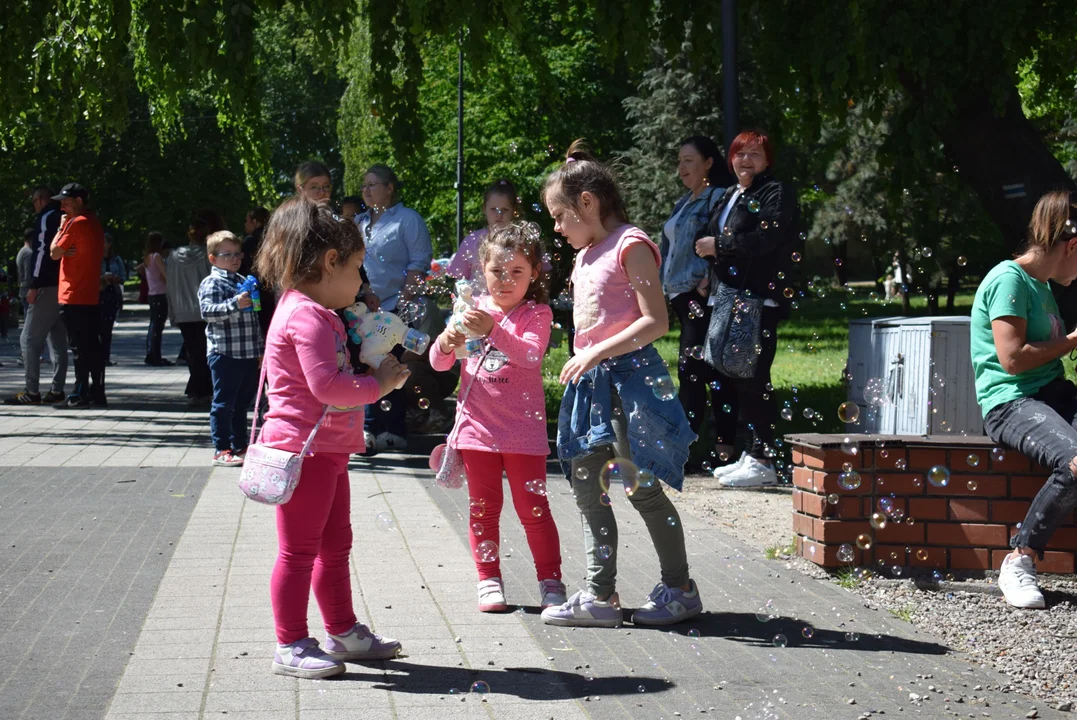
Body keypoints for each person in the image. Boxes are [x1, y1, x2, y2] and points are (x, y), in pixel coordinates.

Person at [539, 140, 700, 628]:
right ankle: (600, 597)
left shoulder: (631, 244)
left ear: (587, 203)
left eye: (560, 215)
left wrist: (594, 351)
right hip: (593, 385)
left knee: (641, 488)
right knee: (588, 486)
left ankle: (680, 589)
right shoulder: (586, 253)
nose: (557, 227)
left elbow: (656, 322)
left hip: (631, 382)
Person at [254, 195, 408, 679]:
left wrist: (369, 346)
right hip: (305, 452)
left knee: (336, 543)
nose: (361, 282)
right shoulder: (307, 316)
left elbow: (334, 371)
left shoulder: (318, 312)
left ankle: (343, 631)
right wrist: (378, 384)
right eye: (358, 269)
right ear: (330, 262)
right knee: (299, 552)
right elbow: (327, 387)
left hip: (326, 451)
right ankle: (291, 644)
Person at [430, 222, 566, 612]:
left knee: (534, 510)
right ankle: (488, 579)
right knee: (483, 509)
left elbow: (529, 355)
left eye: (516, 272)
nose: (505, 281)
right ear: (482, 271)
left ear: (534, 274)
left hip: (522, 432)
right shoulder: (470, 310)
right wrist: (446, 341)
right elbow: (439, 364)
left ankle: (550, 580)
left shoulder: (536, 313)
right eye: (496, 272)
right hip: (477, 430)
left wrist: (492, 329)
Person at [972, 190, 1077, 609]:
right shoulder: (1008, 280)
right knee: (1074, 463)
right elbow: (1012, 359)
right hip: (1011, 401)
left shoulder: (1041, 286)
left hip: (1052, 393)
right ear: (1073, 245)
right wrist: (1071, 340)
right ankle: (1019, 559)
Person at [695, 129, 799, 487]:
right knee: (738, 376)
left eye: (755, 154)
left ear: (768, 160)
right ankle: (752, 453)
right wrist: (711, 275)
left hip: (759, 297)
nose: (746, 160)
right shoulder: (731, 193)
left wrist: (719, 246)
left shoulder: (775, 192)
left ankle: (763, 459)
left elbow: (768, 237)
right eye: (740, 153)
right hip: (730, 295)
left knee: (754, 378)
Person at [660, 136, 733, 465]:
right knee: (695, 370)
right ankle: (706, 446)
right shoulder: (683, 202)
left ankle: (706, 448)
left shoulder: (718, 199)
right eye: (679, 161)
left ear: (708, 163)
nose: (682, 167)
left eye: (689, 160)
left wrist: (710, 277)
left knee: (698, 370)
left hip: (701, 296)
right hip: (679, 295)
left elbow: (723, 244)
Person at [356, 163, 433, 451]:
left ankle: (394, 429)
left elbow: (418, 263)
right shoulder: (359, 223)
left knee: (393, 367)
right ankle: (368, 429)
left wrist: (402, 307)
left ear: (390, 188)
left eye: (372, 184)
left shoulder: (407, 220)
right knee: (364, 365)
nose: (366, 190)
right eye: (364, 185)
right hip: (364, 310)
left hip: (395, 308)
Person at [199, 230, 263, 467]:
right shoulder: (212, 282)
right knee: (224, 403)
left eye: (238, 254)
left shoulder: (242, 280)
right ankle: (221, 448)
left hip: (247, 352)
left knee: (242, 403)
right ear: (213, 258)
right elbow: (207, 312)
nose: (235, 259)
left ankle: (240, 445)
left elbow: (253, 321)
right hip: (225, 352)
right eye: (228, 255)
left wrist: (259, 350)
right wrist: (234, 304)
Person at [6, 187, 68, 405]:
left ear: (41, 200)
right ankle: (57, 389)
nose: (34, 206)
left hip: (46, 286)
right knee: (58, 339)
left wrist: (34, 284)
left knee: (29, 338)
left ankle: (31, 391)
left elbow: (41, 253)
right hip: (63, 285)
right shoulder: (64, 218)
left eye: (33, 202)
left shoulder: (45, 218)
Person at [50, 183, 106, 407]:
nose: (62, 206)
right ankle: (96, 392)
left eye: (66, 201)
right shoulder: (93, 222)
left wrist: (60, 229)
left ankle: (79, 393)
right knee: (92, 345)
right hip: (89, 295)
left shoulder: (75, 223)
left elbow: (54, 253)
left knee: (79, 348)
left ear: (79, 201)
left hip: (73, 295)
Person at [168, 209, 223, 405]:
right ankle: (203, 388)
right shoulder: (209, 258)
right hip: (205, 310)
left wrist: (172, 311)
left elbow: (170, 285)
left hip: (183, 310)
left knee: (192, 351)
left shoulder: (173, 257)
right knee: (207, 350)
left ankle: (196, 388)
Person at [446, 179, 519, 286]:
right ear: (484, 208)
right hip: (477, 302)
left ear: (514, 210)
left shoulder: (522, 241)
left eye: (505, 209)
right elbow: (459, 280)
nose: (499, 214)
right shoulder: (471, 241)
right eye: (493, 209)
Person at [239, 207, 275, 339]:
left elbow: (244, 267)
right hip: (273, 291)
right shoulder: (274, 240)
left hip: (255, 292)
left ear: (254, 222)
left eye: (246, 221)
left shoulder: (250, 241)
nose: (245, 224)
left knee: (259, 330)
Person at [140, 232, 171, 366]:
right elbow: (166, 274)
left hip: (152, 293)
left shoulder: (147, 258)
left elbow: (140, 270)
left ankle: (151, 352)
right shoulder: (157, 256)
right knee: (158, 326)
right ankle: (155, 355)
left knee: (154, 325)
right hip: (160, 293)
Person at [99, 233, 127, 366]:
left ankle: (105, 357)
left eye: (107, 242)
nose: (105, 245)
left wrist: (116, 279)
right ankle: (97, 356)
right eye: (103, 241)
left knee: (107, 329)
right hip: (99, 293)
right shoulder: (95, 258)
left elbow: (123, 277)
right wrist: (102, 278)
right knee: (97, 328)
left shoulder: (116, 259)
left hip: (112, 294)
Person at [16, 228, 33, 320]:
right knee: (30, 321)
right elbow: (28, 274)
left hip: (23, 289)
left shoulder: (21, 251)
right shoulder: (29, 253)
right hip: (28, 290)